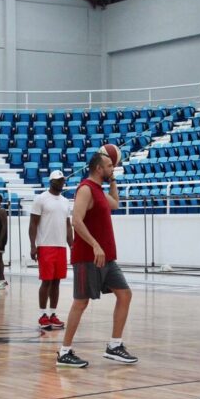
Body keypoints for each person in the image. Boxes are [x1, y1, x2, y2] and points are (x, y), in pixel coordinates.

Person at [57, 152, 137, 368]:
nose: (113, 168)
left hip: (107, 258)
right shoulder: (85, 189)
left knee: (125, 294)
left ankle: (114, 346)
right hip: (88, 257)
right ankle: (64, 352)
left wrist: (113, 182)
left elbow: (116, 204)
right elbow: (76, 221)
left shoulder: (100, 191)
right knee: (81, 302)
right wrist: (95, 244)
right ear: (98, 169)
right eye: (110, 166)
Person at [29, 170, 73, 330]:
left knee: (57, 282)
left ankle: (53, 314)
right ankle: (42, 315)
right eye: (58, 180)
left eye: (62, 180)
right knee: (46, 281)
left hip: (60, 246)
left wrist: (72, 245)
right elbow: (33, 223)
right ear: (51, 182)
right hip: (45, 246)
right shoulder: (40, 199)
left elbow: (68, 225)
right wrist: (33, 245)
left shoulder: (65, 201)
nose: (61, 182)